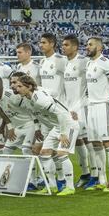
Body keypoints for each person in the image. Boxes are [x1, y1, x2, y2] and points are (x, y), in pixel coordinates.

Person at [16, 75, 79, 196]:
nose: (16, 89)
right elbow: (52, 95)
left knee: (61, 154)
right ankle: (52, 186)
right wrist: (38, 128)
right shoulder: (28, 98)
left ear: (28, 87)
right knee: (44, 153)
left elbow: (61, 114)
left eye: (20, 86)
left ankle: (70, 187)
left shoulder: (40, 99)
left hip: (68, 124)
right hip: (56, 126)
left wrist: (63, 133)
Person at [85, 37, 109, 192]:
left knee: (108, 142)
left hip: (104, 106)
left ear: (99, 47)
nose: (87, 47)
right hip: (91, 107)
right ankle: (102, 180)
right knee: (95, 144)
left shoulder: (105, 62)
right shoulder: (89, 63)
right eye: (87, 44)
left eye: (90, 44)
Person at [62, 34, 99, 189]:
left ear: (75, 47)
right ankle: (85, 173)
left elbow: (94, 79)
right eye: (63, 45)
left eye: (66, 45)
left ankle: (95, 175)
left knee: (88, 141)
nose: (63, 47)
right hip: (68, 108)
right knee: (77, 142)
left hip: (82, 108)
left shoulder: (84, 62)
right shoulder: (64, 63)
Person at [39, 32, 68, 189]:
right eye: (40, 42)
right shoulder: (43, 61)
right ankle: (54, 181)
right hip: (45, 111)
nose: (41, 45)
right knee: (48, 148)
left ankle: (62, 179)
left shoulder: (60, 60)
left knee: (58, 148)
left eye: (44, 42)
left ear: (52, 44)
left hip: (58, 109)